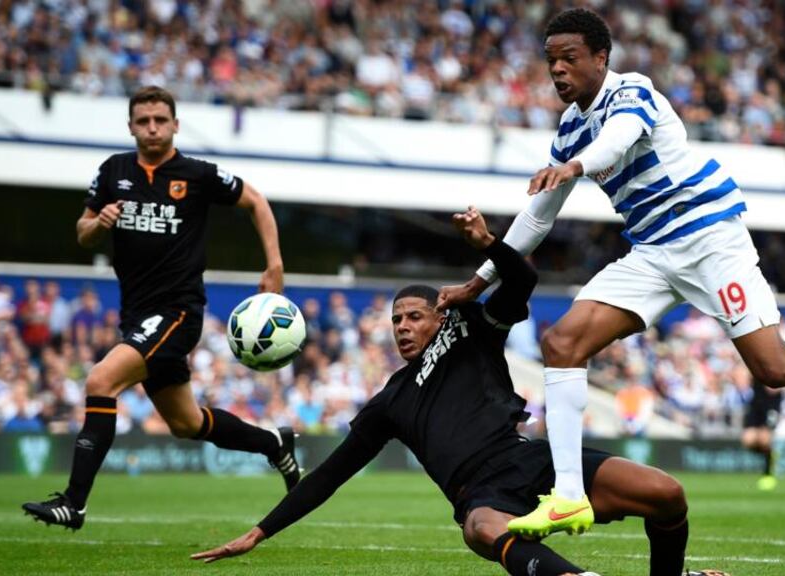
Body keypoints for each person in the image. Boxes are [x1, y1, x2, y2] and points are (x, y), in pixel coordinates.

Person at [439, 8, 785, 539]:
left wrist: (575, 167)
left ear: (601, 58)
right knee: (564, 343)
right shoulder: (571, 129)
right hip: (652, 252)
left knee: (775, 368)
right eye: (551, 60)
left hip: (710, 237)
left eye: (569, 58)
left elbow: (619, 140)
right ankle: (571, 497)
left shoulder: (632, 93)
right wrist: (479, 280)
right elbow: (538, 216)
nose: (557, 70)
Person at [190, 207, 727, 576]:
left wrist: (491, 245)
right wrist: (260, 532)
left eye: (414, 316)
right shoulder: (390, 401)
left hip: (534, 460)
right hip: (479, 492)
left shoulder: (469, 328)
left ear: (438, 315)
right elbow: (330, 475)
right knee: (480, 530)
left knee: (666, 494)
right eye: (395, 319)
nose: (402, 326)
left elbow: (522, 284)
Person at [22, 86, 300, 531]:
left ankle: (74, 503)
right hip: (137, 315)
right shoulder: (113, 171)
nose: (152, 127)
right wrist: (98, 224)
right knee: (186, 423)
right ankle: (274, 443)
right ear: (130, 126)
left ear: (175, 125)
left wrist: (275, 263)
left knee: (100, 379)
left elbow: (257, 202)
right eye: (143, 120)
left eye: (159, 120)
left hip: (178, 312)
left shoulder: (196, 174)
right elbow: (83, 231)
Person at [741, 379, 782, 490]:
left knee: (764, 439)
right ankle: (769, 454)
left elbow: (775, 388)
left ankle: (768, 472)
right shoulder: (757, 380)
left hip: (770, 408)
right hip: (756, 410)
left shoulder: (776, 394)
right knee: (748, 440)